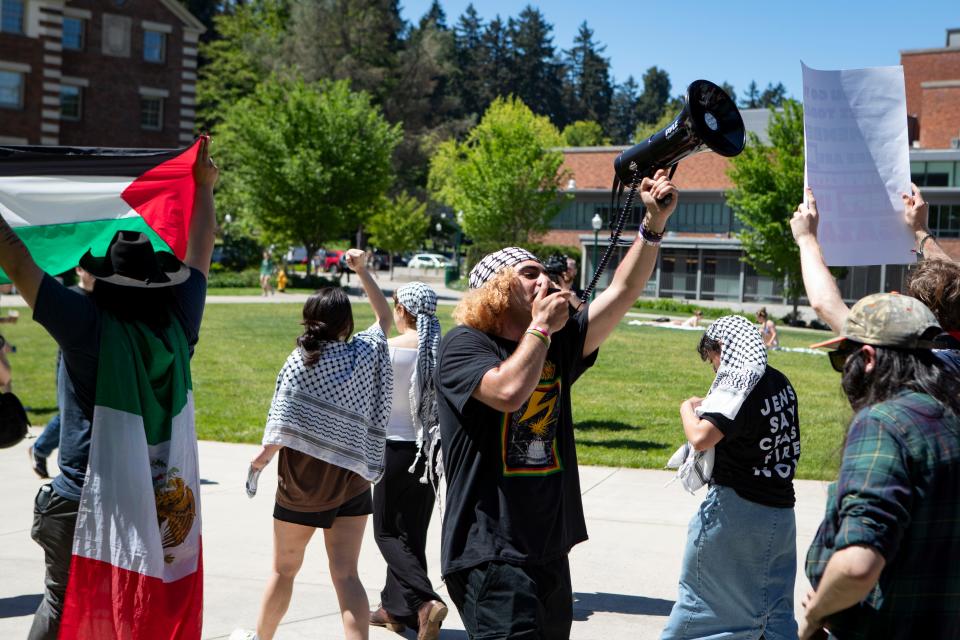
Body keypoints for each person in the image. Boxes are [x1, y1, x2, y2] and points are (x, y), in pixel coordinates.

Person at [435, 168, 678, 639]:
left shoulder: (557, 344)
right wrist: (541, 329)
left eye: (546, 273)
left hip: (548, 548)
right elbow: (507, 392)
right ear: (497, 291)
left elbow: (623, 292)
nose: (545, 280)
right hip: (490, 551)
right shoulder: (463, 346)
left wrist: (652, 225)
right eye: (529, 274)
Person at [0, 136, 218, 640]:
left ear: (102, 280)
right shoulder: (179, 322)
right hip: (155, 499)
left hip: (82, 496)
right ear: (161, 282)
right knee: (131, 620)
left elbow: (17, 262)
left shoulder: (86, 326)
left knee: (64, 607)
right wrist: (204, 189)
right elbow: (200, 249)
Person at [232, 249, 393, 640]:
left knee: (283, 570)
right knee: (347, 574)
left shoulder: (301, 359)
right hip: (352, 475)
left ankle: (262, 638)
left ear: (309, 317)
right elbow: (386, 318)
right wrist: (363, 271)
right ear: (346, 323)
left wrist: (262, 458)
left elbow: (281, 419)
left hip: (302, 481)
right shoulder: (364, 352)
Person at [800, 293, 960, 639]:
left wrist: (816, 614)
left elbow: (858, 566)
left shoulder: (884, 423)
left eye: (843, 358)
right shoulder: (950, 418)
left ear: (868, 358)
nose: (844, 372)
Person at [661, 315, 801, 639]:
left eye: (713, 360)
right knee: (771, 613)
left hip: (735, 512)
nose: (715, 370)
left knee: (700, 612)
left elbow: (701, 436)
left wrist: (687, 406)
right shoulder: (779, 381)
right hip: (780, 513)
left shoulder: (737, 382)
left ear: (724, 347)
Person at [791, 185, 960, 373]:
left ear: (921, 313)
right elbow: (952, 282)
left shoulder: (909, 363)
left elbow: (825, 304)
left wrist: (806, 238)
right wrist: (920, 229)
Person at [370, 281, 448, 640]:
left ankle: (425, 602)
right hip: (430, 452)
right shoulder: (443, 351)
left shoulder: (386, 350)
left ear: (401, 310)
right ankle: (394, 609)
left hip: (393, 449)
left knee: (386, 531)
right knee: (412, 533)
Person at [27, 266, 95, 479]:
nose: (95, 274)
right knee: (70, 412)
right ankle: (40, 448)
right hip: (69, 362)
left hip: (93, 361)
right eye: (90, 270)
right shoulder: (72, 295)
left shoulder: (103, 297)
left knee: (85, 411)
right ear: (79, 270)